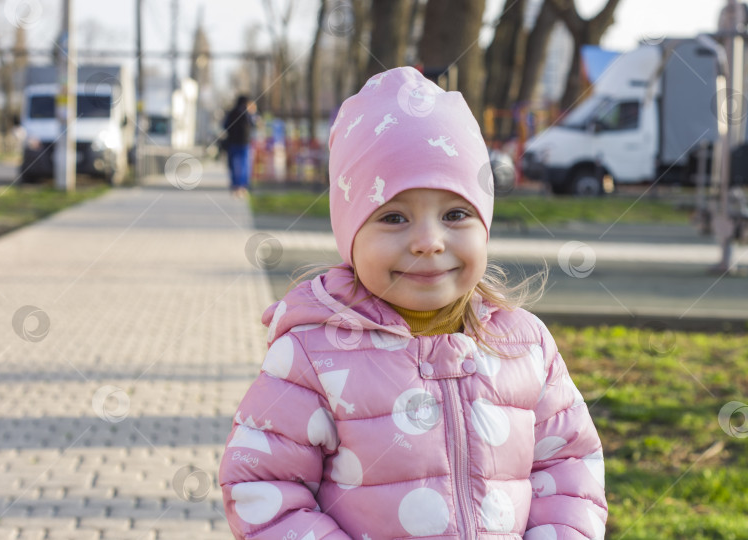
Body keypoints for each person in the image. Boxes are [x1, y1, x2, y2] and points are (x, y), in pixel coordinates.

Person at [219, 67, 607, 539]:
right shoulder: (313, 357)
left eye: (456, 213)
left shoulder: (525, 347)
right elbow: (261, 485)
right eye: (395, 216)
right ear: (350, 236)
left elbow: (571, 473)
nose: (428, 241)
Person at [223, 94, 256, 197]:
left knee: (234, 165)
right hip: (244, 143)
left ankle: (235, 186)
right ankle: (242, 186)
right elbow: (253, 124)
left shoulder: (232, 112)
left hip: (233, 142)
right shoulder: (248, 113)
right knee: (244, 165)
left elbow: (225, 126)